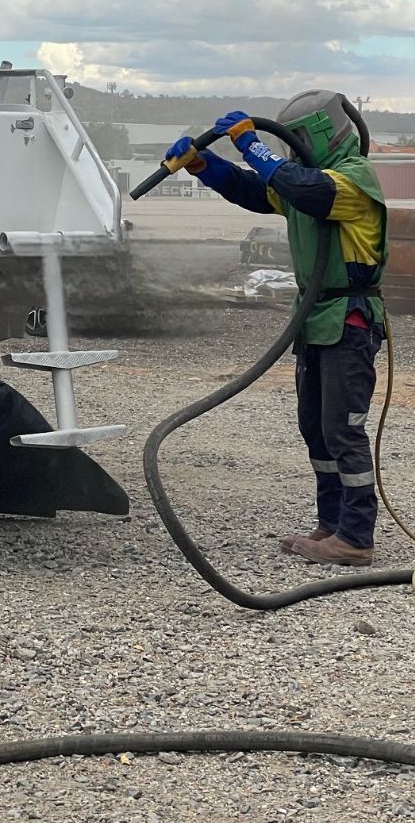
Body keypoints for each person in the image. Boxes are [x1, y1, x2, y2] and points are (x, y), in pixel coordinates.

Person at [164, 90, 388, 566]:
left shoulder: (353, 179)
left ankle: (356, 536)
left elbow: (305, 189)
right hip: (315, 320)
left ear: (323, 134)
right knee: (316, 429)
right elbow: (258, 190)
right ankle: (332, 524)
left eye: (297, 139)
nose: (291, 149)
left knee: (342, 429)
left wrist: (252, 144)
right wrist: (204, 166)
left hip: (347, 320)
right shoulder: (304, 184)